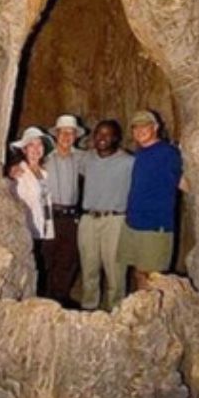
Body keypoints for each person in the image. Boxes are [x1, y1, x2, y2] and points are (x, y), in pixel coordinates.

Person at [119, 109, 187, 292]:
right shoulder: (141, 153)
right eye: (136, 127)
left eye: (145, 126)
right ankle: (142, 312)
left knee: (152, 277)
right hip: (135, 223)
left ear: (155, 127)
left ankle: (151, 316)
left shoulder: (167, 153)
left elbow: (183, 182)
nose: (140, 130)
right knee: (139, 273)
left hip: (155, 225)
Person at [76, 119, 133, 311]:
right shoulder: (86, 158)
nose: (102, 138)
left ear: (116, 138)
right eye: (99, 133)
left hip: (115, 220)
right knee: (88, 267)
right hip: (88, 219)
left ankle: (116, 310)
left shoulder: (128, 162)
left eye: (107, 134)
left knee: (115, 269)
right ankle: (89, 307)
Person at [41, 113, 88, 307]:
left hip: (70, 216)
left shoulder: (81, 158)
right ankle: (43, 298)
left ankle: (59, 298)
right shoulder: (44, 159)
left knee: (68, 258)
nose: (67, 137)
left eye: (71, 133)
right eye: (63, 132)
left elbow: (101, 166)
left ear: (76, 136)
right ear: (56, 134)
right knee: (46, 256)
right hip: (48, 214)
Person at [7, 126, 54, 293]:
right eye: (31, 145)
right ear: (24, 149)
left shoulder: (45, 173)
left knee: (43, 266)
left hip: (43, 227)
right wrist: (9, 171)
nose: (36, 149)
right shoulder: (18, 172)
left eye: (39, 145)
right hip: (27, 227)